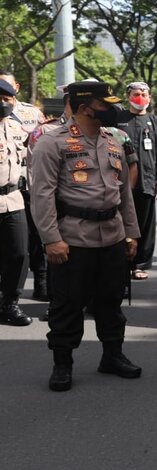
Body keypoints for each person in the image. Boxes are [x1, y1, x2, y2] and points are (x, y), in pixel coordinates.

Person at [30, 81, 141, 391]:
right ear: (83, 107)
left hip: (112, 236)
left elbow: (124, 195)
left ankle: (113, 356)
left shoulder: (113, 141)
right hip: (72, 238)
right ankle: (62, 363)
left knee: (111, 300)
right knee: (67, 304)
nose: (112, 110)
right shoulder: (52, 143)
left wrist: (131, 233)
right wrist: (51, 239)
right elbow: (42, 196)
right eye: (104, 104)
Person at [0, 71, 47, 302]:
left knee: (26, 246)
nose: (3, 101)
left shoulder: (26, 118)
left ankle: (17, 298)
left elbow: (41, 142)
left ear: (16, 89)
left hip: (22, 190)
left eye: (6, 95)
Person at [116, 81, 157, 281]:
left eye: (144, 94)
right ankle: (121, 262)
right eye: (136, 93)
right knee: (120, 221)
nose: (140, 97)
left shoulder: (156, 122)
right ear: (128, 96)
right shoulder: (119, 119)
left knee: (145, 223)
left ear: (150, 98)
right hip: (121, 180)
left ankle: (141, 264)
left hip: (147, 180)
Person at [0, 79, 33, 326]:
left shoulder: (16, 127)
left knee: (20, 253)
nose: (3, 103)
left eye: (7, 98)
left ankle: (10, 303)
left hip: (13, 198)